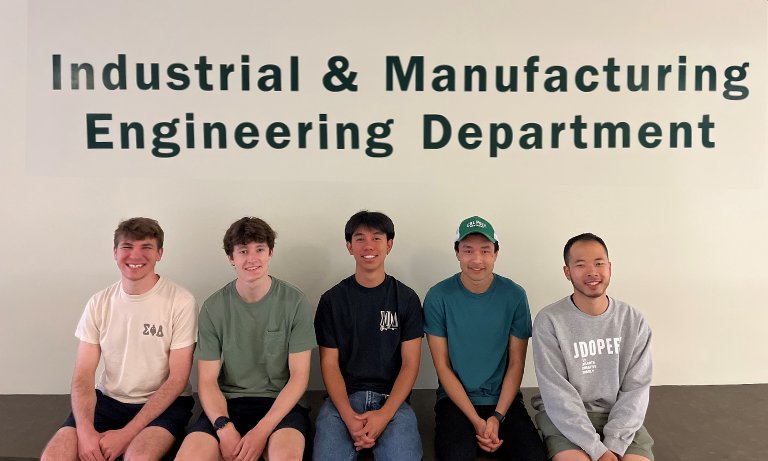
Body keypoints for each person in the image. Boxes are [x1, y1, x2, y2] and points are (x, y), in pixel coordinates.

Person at [41, 217, 198, 461]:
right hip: (108, 401)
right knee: (53, 457)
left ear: (160, 253)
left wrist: (126, 435)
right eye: (127, 247)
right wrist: (85, 433)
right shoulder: (98, 303)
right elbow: (83, 374)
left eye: (146, 247)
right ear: (115, 252)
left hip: (163, 405)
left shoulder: (181, 302)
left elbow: (178, 379)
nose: (135, 255)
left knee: (138, 457)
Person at [175, 217, 316, 461]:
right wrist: (224, 427)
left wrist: (262, 430)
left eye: (259, 249)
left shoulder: (295, 302)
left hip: (281, 405)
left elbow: (300, 376)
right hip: (228, 404)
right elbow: (206, 381)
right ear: (231, 258)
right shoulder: (213, 307)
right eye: (243, 251)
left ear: (270, 252)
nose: (252, 258)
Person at [424, 216, 547, 461]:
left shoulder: (514, 295)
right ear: (457, 252)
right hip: (455, 400)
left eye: (485, 250)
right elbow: (442, 366)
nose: (477, 259)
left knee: (533, 456)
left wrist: (497, 416)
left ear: (496, 253)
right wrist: (477, 421)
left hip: (504, 401)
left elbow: (516, 363)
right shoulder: (438, 296)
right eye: (468, 250)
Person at [531, 233, 653, 461]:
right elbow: (557, 393)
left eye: (598, 263)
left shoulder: (633, 320)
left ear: (609, 268)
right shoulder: (550, 320)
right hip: (566, 419)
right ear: (568, 272)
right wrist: (598, 451)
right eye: (580, 265)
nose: (592, 272)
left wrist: (614, 446)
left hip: (619, 418)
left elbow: (636, 390)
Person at [313, 210, 424, 461]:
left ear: (389, 245)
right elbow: (329, 364)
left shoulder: (406, 298)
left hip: (393, 403)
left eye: (377, 238)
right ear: (349, 247)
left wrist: (384, 415)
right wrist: (349, 417)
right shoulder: (332, 300)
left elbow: (410, 364)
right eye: (360, 238)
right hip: (342, 403)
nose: (369, 246)